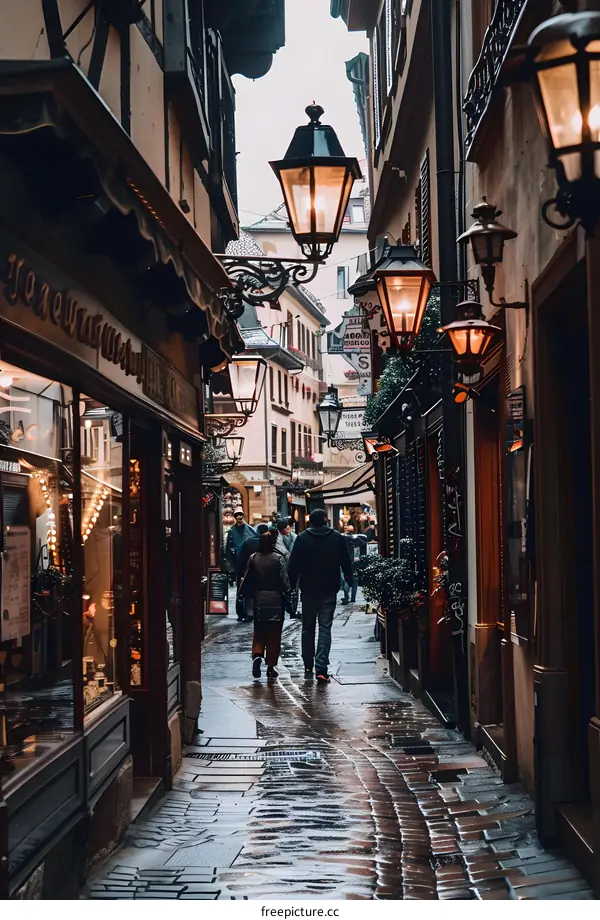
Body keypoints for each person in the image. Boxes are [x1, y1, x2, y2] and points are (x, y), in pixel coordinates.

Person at [288, 508, 353, 683]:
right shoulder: (336, 537)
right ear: (325, 520)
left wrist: (292, 584)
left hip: (308, 590)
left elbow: (293, 565)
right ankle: (321, 668)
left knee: (307, 627)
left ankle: (308, 662)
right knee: (325, 628)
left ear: (311, 521)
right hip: (329, 589)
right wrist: (348, 575)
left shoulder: (302, 539)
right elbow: (345, 561)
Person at [240, 530, 290, 681]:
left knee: (259, 631)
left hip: (259, 599)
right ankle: (270, 667)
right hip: (276, 600)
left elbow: (247, 577)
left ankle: (257, 655)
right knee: (274, 635)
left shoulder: (253, 558)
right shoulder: (278, 559)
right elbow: (285, 582)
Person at [341, 525, 368, 604]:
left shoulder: (343, 539)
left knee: (346, 580)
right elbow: (357, 553)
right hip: (354, 562)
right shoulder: (357, 540)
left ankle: (346, 597)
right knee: (355, 579)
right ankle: (353, 597)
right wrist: (357, 562)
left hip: (345, 563)